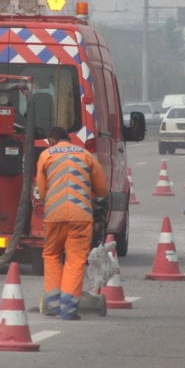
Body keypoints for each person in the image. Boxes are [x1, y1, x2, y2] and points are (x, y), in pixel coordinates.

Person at [35, 126, 108, 321]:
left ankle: (53, 304)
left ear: (52, 140)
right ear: (69, 139)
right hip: (80, 216)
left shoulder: (46, 155)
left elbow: (41, 191)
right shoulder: (85, 155)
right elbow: (102, 189)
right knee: (75, 260)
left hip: (54, 216)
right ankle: (68, 309)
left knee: (51, 255)